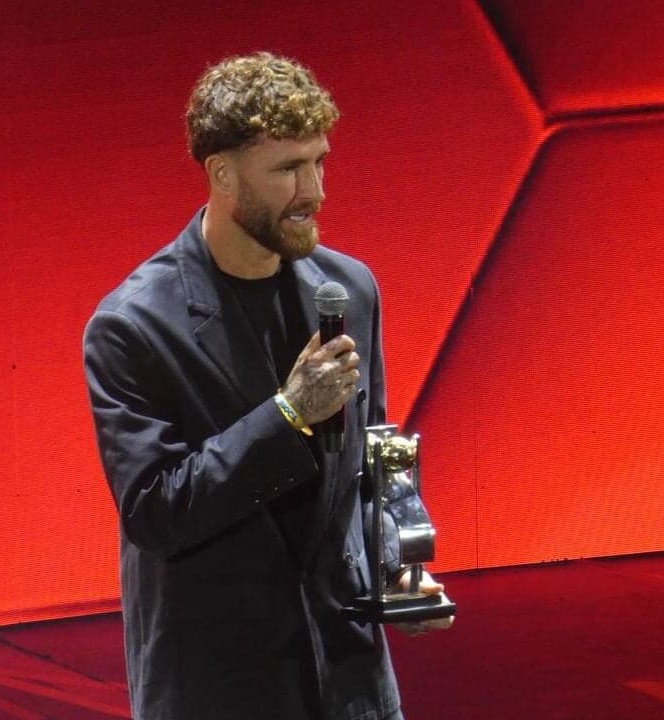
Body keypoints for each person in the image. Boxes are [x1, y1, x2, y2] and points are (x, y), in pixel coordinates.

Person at [83, 52, 450, 720]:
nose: (315, 190)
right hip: (218, 684)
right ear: (222, 174)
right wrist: (288, 414)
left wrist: (398, 564)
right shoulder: (132, 326)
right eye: (287, 169)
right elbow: (157, 514)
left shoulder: (349, 290)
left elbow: (373, 455)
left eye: (320, 162)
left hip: (349, 679)